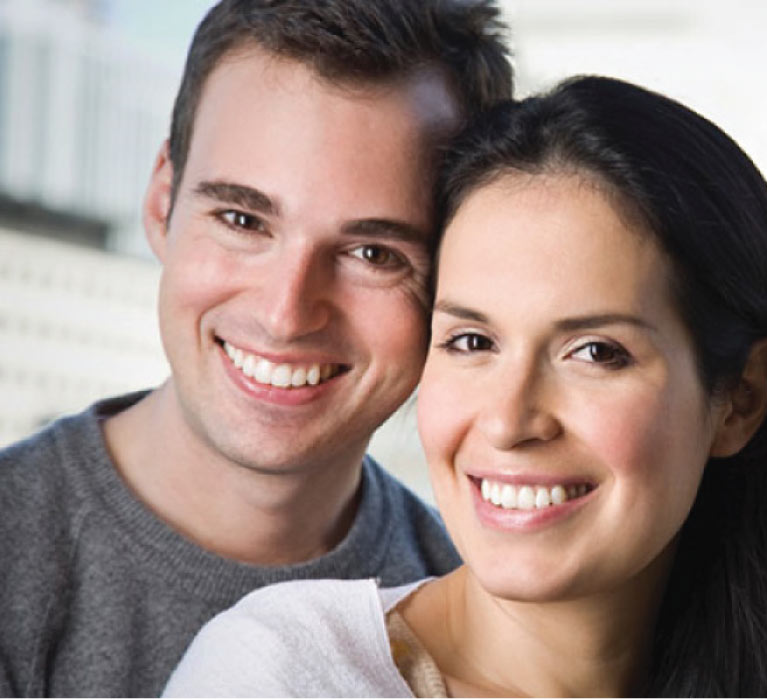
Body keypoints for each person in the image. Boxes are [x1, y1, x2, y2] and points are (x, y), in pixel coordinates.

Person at [163, 75, 767, 697]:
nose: (508, 419)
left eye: (594, 352)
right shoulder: (280, 676)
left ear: (741, 398)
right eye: (472, 342)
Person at [0, 1, 512, 696]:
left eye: (372, 252)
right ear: (162, 200)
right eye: (242, 219)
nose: (285, 313)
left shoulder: (481, 620)